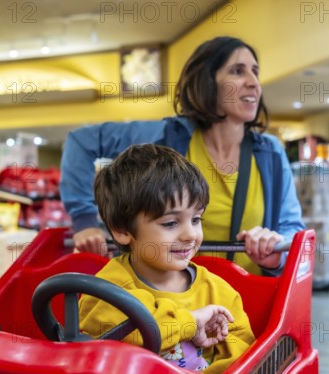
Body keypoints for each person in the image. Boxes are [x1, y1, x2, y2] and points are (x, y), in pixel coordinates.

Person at [60, 36, 305, 276]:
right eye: (238, 71)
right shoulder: (167, 137)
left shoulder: (270, 152)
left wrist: (276, 254)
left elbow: (292, 229)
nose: (254, 82)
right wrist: (84, 221)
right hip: (167, 303)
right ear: (207, 82)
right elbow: (81, 142)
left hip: (249, 302)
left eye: (255, 71)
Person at [78, 144, 255, 374]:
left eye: (196, 219)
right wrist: (192, 321)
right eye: (170, 223)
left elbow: (241, 360)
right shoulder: (107, 290)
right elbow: (133, 330)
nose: (190, 235)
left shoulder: (219, 293)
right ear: (121, 230)